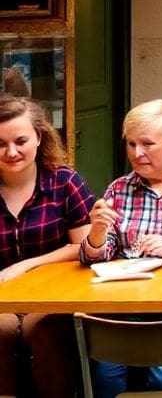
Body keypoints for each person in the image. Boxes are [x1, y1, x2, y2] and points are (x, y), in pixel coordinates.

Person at [81, 100, 162, 398]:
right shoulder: (119, 189)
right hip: (126, 312)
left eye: (148, 144)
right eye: (131, 144)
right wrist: (97, 233)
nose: (137, 154)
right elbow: (92, 258)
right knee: (104, 376)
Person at [0, 96, 94, 397]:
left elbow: (83, 245)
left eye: (21, 140)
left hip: (55, 295)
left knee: (46, 334)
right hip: (2, 299)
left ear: (39, 137)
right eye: (0, 143)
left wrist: (26, 264)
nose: (11, 152)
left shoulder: (65, 182)